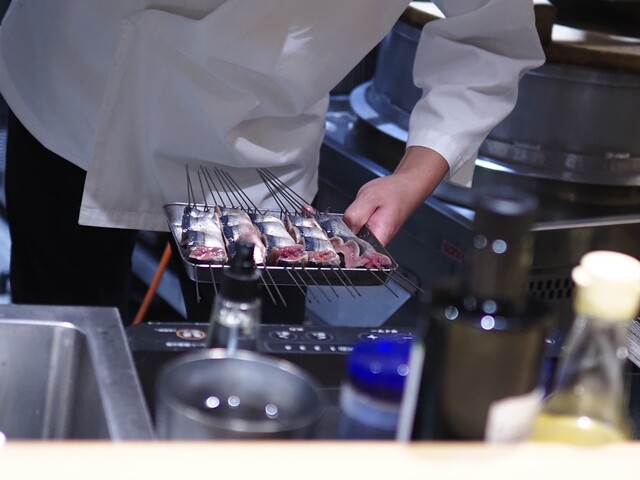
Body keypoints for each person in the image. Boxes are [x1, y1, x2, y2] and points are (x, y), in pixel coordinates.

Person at [0, 0, 545, 324]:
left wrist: (412, 176)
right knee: (65, 354)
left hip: (259, 149)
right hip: (77, 96)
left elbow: (492, 33)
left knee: (250, 388)